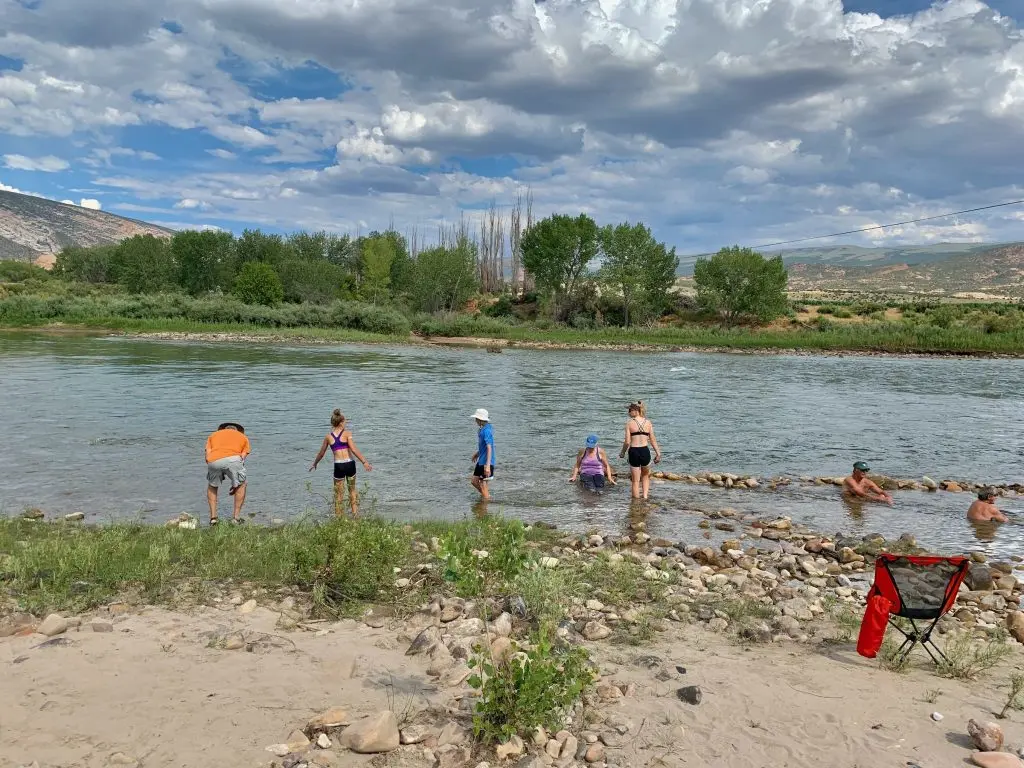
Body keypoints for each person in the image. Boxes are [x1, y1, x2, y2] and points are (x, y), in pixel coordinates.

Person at [309, 409, 373, 517]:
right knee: (352, 491)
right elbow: (354, 449)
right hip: (350, 464)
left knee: (338, 494)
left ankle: (339, 518)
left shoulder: (328, 437)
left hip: (339, 465)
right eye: (345, 421)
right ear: (341, 422)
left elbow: (321, 453)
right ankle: (355, 515)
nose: (346, 423)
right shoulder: (347, 434)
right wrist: (364, 462)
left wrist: (315, 463)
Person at [205, 422, 250, 526]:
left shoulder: (213, 435)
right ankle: (236, 518)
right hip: (234, 460)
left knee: (212, 486)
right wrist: (236, 484)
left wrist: (212, 463)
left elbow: (208, 454)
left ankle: (213, 518)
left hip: (214, 460)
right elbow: (242, 458)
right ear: (237, 430)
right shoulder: (243, 437)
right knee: (242, 484)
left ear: (222, 430)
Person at [619, 401, 661, 499]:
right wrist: (658, 453)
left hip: (634, 451)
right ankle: (645, 497)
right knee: (645, 477)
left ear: (635, 411)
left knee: (635, 480)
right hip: (645, 451)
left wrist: (622, 452)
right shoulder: (648, 422)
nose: (628, 413)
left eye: (629, 410)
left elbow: (627, 442)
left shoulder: (629, 423)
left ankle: (636, 501)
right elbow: (653, 440)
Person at [471, 408, 495, 501]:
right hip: (481, 460)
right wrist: (477, 453)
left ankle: (486, 502)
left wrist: (488, 466)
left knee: (483, 483)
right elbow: (484, 446)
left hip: (486, 462)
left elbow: (489, 447)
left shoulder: (486, 431)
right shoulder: (482, 429)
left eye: (476, 418)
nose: (475, 420)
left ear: (481, 420)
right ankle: (487, 498)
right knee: (474, 481)